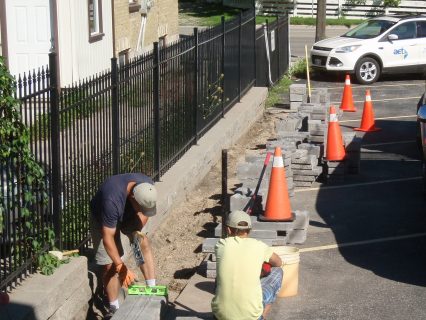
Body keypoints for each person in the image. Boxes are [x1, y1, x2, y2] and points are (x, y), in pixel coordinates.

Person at [90, 173, 157, 315]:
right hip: (102, 218)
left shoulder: (146, 187)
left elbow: (145, 213)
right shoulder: (111, 200)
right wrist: (120, 266)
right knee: (110, 264)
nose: (143, 211)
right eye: (141, 207)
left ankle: (152, 288)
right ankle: (114, 307)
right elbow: (108, 238)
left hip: (127, 211)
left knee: (141, 241)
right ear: (133, 198)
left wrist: (135, 234)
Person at [211, 210, 283, 320]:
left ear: (228, 229)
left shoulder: (221, 245)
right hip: (250, 316)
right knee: (278, 272)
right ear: (249, 230)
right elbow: (278, 262)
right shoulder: (259, 246)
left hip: (220, 316)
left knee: (220, 277)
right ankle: (259, 316)